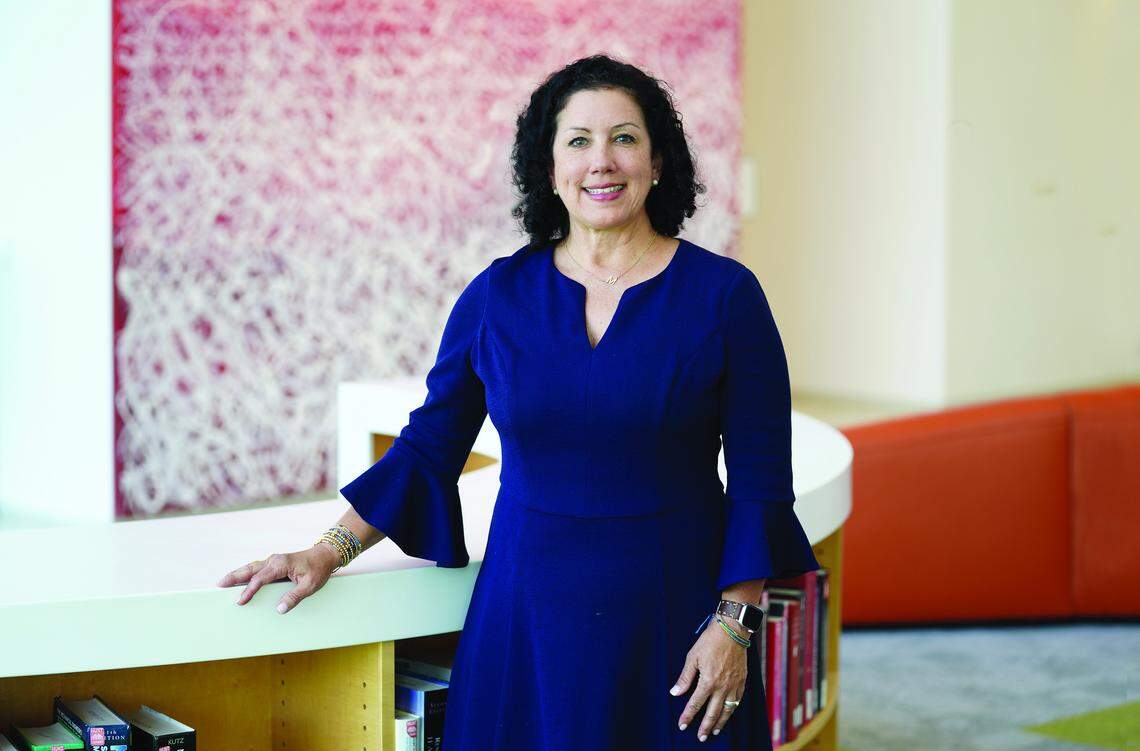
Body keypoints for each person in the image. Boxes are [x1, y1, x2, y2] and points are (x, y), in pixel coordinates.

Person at [217, 53, 820, 750]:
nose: (602, 161)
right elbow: (428, 447)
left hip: (677, 621)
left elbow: (760, 482)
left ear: (658, 162)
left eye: (624, 138)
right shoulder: (496, 297)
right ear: (550, 168)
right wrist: (327, 550)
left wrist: (734, 625)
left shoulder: (726, 297)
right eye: (578, 141)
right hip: (523, 618)